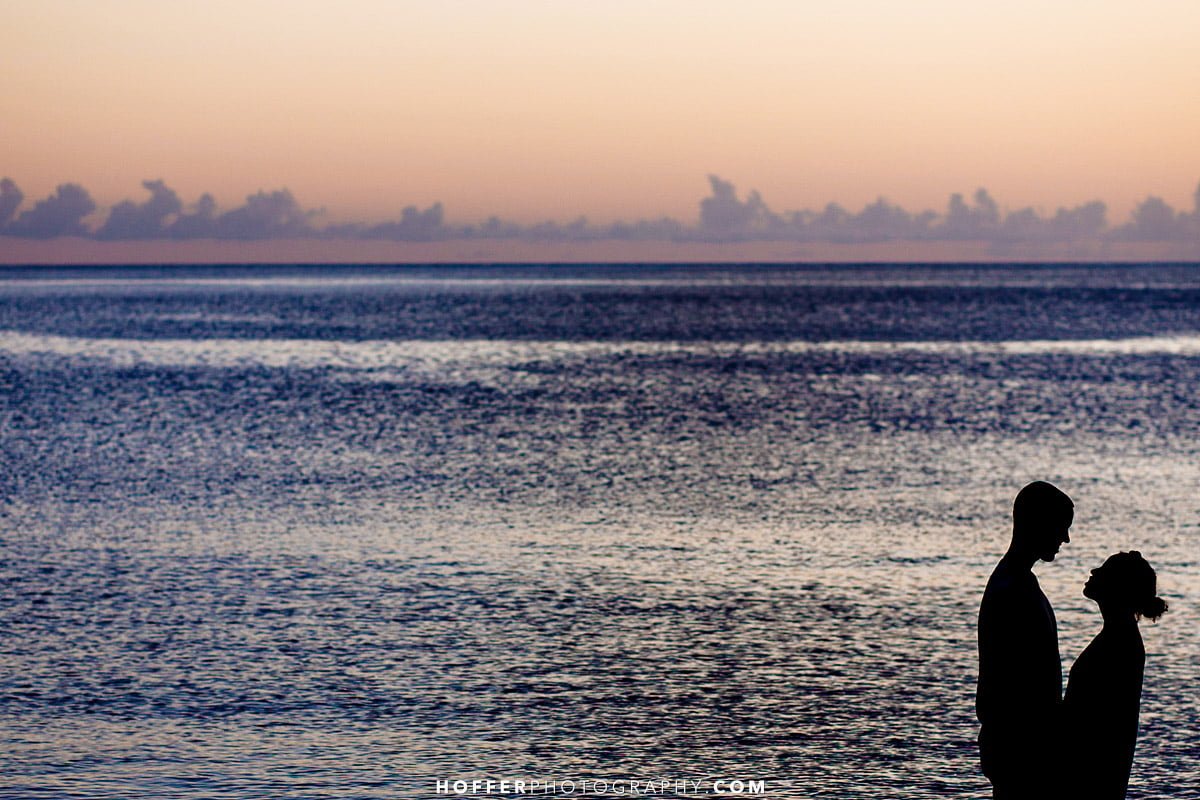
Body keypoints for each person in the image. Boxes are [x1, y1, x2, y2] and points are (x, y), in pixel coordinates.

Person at [976, 481, 1074, 799]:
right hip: (1020, 751)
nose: (1065, 538)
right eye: (1061, 527)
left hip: (1019, 747)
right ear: (1039, 524)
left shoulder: (1016, 583)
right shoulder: (1013, 590)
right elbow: (1015, 681)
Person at [1063, 551, 1167, 799]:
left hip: (1091, 779)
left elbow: (1096, 720)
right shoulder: (1119, 635)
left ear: (1119, 588)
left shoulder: (1119, 642)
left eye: (1105, 570)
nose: (1094, 572)